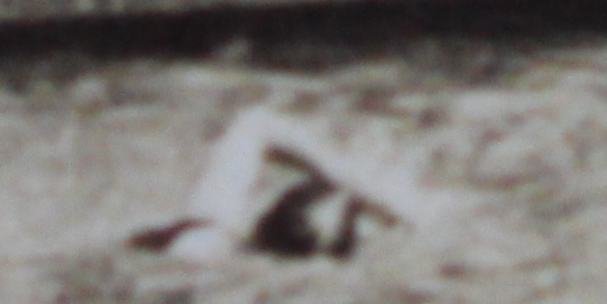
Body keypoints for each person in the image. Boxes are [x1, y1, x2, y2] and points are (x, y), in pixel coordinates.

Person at [138, 106, 436, 260]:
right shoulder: (213, 233)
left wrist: (349, 180)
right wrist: (372, 194)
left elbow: (256, 123)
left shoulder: (212, 227)